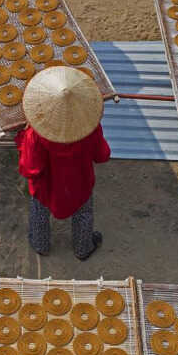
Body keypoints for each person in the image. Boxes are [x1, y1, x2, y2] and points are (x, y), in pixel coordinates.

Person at [16, 66, 110, 261]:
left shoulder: (36, 134)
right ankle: (83, 248)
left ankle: (41, 245)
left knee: (39, 213)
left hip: (46, 186)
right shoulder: (89, 128)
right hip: (79, 183)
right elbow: (102, 155)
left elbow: (30, 169)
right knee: (83, 213)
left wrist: (24, 137)